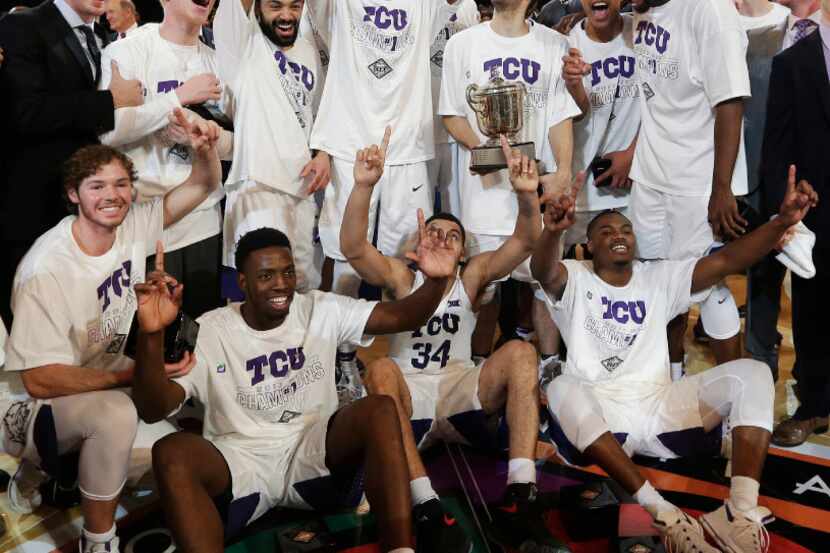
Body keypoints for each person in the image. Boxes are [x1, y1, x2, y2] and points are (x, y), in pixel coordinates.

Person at [129, 203, 461, 553]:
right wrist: (152, 334)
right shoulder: (211, 329)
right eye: (266, 276)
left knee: (378, 409)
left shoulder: (318, 307)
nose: (281, 285)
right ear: (242, 282)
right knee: (170, 451)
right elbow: (153, 408)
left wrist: (437, 281)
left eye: (288, 273)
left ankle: (400, 549)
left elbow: (400, 317)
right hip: (243, 461)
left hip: (312, 452)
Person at [533, 166, 818, 553]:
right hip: (597, 416)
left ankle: (739, 512)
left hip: (657, 409)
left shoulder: (658, 277)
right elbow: (543, 271)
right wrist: (552, 232)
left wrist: (781, 223)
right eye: (607, 232)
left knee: (753, 373)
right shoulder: (575, 276)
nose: (619, 236)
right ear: (589, 244)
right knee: (561, 383)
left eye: (626, 230)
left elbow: (728, 260)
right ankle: (662, 511)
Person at [2, 111, 222, 553]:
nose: (112, 195)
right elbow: (38, 379)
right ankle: (96, 539)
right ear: (73, 195)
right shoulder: (46, 270)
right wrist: (135, 377)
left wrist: (206, 150)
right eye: (97, 186)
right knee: (117, 419)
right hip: (27, 406)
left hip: (97, 377)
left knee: (164, 452)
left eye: (121, 184)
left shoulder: (132, 224)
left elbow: (200, 186)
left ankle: (59, 472)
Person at [344, 134, 566, 552]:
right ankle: (426, 506)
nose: (443, 239)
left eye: (453, 236)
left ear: (464, 252)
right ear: (418, 240)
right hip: (408, 399)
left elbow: (523, 242)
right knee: (381, 369)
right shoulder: (401, 277)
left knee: (521, 352)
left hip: (461, 392)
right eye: (435, 231)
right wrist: (363, 187)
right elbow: (353, 247)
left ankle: (522, 494)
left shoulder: (473, 275)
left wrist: (525, 196)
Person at [304, 0, 463, 394]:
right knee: (344, 263)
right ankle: (340, 360)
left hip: (406, 146)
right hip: (347, 141)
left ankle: (402, 361)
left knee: (405, 261)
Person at [439, 0, 580, 374]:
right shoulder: (462, 44)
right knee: (484, 288)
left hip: (536, 192)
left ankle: (549, 369)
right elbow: (452, 113)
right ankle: (475, 370)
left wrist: (564, 170)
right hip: (484, 192)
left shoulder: (555, 45)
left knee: (544, 287)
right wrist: (485, 150)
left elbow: (559, 115)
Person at [624, 0, 751, 377]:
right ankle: (672, 381)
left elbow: (730, 103)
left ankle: (734, 395)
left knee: (707, 288)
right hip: (650, 174)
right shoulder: (643, 8)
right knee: (657, 287)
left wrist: (722, 188)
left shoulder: (711, 12)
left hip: (697, 182)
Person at [0, 0, 144, 327]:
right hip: (31, 212)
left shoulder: (100, 37)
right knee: (33, 331)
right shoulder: (23, 26)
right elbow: (25, 113)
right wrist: (110, 100)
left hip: (78, 213)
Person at [98, 0, 230, 318]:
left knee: (199, 338)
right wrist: (177, 99)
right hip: (143, 222)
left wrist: (208, 137)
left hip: (203, 221)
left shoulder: (221, 62)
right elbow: (106, 133)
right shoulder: (127, 51)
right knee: (146, 345)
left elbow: (240, 144)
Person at [215, 0, 329, 296]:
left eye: (294, 5)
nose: (287, 15)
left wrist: (324, 153)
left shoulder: (308, 50)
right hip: (258, 186)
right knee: (260, 289)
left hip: (303, 189)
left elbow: (317, 117)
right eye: (275, 6)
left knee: (303, 286)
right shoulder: (243, 42)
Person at [763, 0, 830, 447]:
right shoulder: (792, 61)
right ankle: (816, 405)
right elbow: (778, 143)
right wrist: (784, 203)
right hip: (818, 208)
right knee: (814, 305)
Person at [735, 0, 791, 378]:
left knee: (766, 268)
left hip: (767, 166)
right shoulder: (710, 15)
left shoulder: (788, 24)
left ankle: (760, 357)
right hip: (707, 163)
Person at [561, 0, 639, 256]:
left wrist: (632, 154)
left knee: (639, 276)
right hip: (582, 190)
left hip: (637, 185)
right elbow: (576, 115)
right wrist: (574, 86)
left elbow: (662, 103)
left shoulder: (643, 32)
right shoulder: (566, 44)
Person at [428, 0, 480, 218]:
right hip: (421, 131)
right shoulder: (414, 5)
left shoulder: (467, 5)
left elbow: (474, 59)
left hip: (457, 131)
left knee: (459, 216)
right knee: (417, 217)